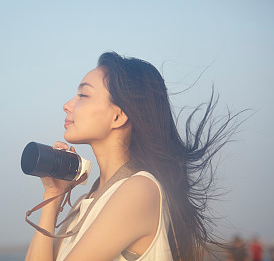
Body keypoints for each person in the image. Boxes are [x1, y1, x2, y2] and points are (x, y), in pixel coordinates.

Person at [24, 52, 244, 261]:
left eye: (83, 95)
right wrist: (52, 196)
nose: (67, 105)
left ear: (118, 116)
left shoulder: (139, 189)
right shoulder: (87, 202)